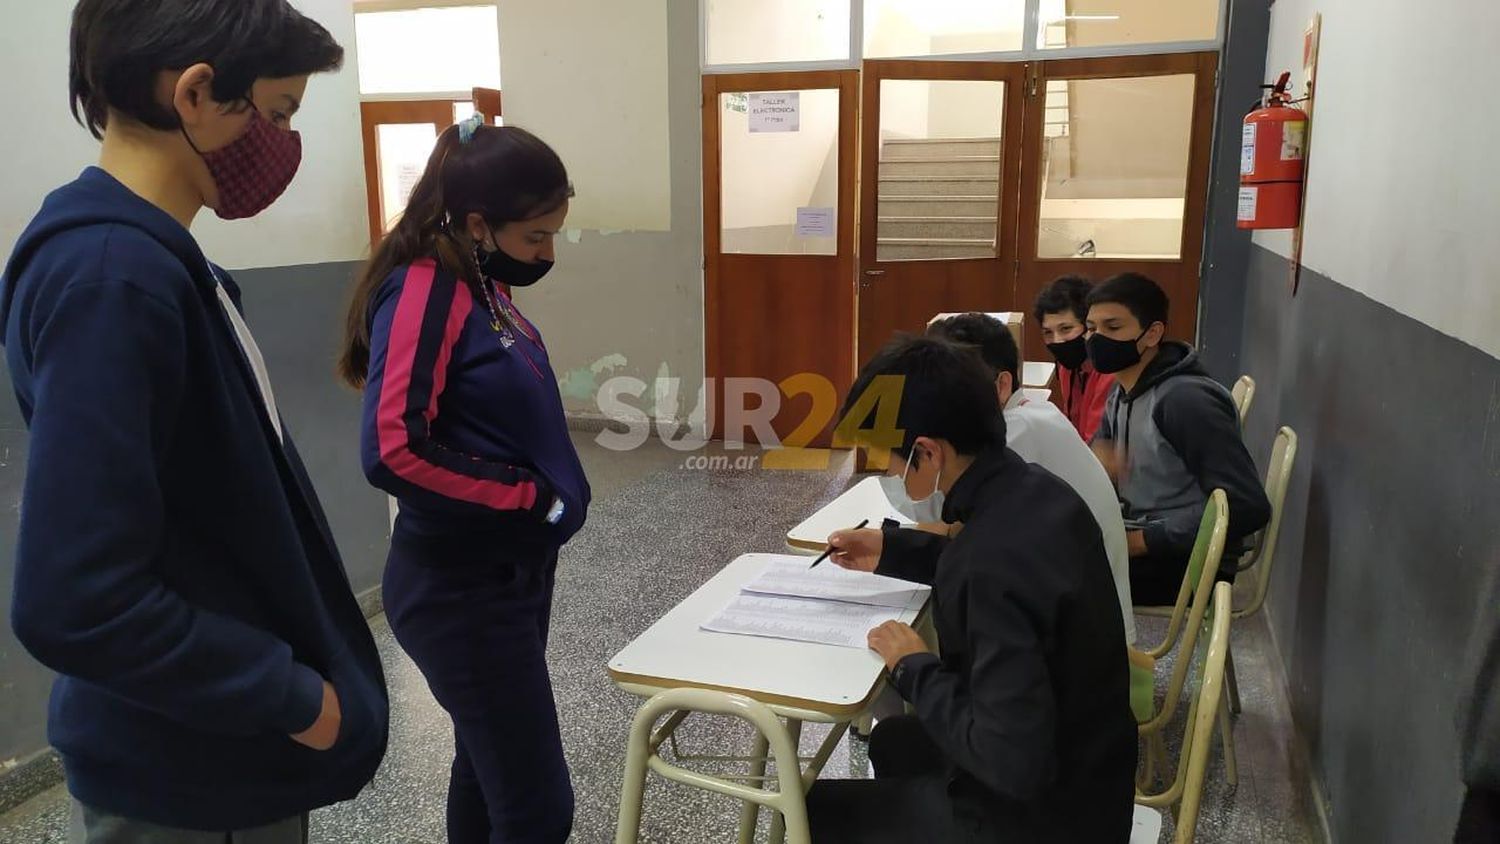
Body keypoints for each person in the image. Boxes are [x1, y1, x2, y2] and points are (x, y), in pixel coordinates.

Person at [0, 1, 388, 840]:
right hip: (183, 778)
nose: (283, 144)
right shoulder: (112, 278)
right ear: (199, 94)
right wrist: (290, 697)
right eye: (277, 114)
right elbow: (76, 600)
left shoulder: (161, 262)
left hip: (221, 762)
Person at [338, 115, 590, 844]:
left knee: (486, 771)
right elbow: (391, 450)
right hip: (460, 589)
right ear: (479, 223)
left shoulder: (479, 283)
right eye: (535, 237)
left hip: (509, 575)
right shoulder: (426, 289)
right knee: (538, 807)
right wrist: (532, 500)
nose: (547, 254)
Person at [809, 336, 1137, 843]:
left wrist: (912, 666)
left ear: (926, 452)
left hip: (1041, 817)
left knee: (810, 810)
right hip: (1093, 776)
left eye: (892, 463)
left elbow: (1010, 761)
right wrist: (892, 550)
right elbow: (1001, 570)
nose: (891, 475)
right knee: (895, 739)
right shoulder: (1037, 491)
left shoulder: (987, 563)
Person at [928, 312, 1135, 645]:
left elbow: (950, 525)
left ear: (1001, 385)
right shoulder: (1033, 411)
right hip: (1081, 606)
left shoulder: (1014, 434)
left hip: (1081, 637)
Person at [1085, 272, 1271, 606]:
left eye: (1112, 328)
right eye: (1091, 328)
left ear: (1152, 333)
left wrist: (1141, 541)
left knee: (1046, 577)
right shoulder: (1121, 388)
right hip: (1145, 536)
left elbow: (1246, 505)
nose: (1096, 339)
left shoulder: (1184, 402)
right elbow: (1103, 456)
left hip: (1188, 563)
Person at [1035, 274, 1115, 441]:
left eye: (1065, 329)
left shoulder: (1110, 372)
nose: (1057, 341)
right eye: (1048, 332)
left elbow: (1094, 443)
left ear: (1089, 326)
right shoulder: (1067, 366)